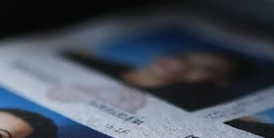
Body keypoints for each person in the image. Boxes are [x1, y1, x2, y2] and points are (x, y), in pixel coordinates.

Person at [62, 45, 256, 111]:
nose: (181, 65)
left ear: (220, 81)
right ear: (159, 56)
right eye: (183, 57)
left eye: (207, 67)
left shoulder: (181, 102)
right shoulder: (91, 64)